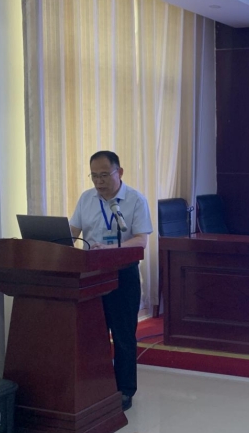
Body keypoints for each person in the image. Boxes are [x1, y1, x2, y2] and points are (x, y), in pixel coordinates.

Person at [69, 150, 153, 411]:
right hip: (91, 276)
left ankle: (124, 390)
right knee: (94, 334)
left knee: (123, 335)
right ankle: (98, 387)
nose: (99, 181)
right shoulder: (86, 198)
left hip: (123, 275)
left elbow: (141, 240)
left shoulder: (135, 200)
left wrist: (112, 250)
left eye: (104, 175)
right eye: (94, 175)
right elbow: (71, 233)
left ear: (120, 172)